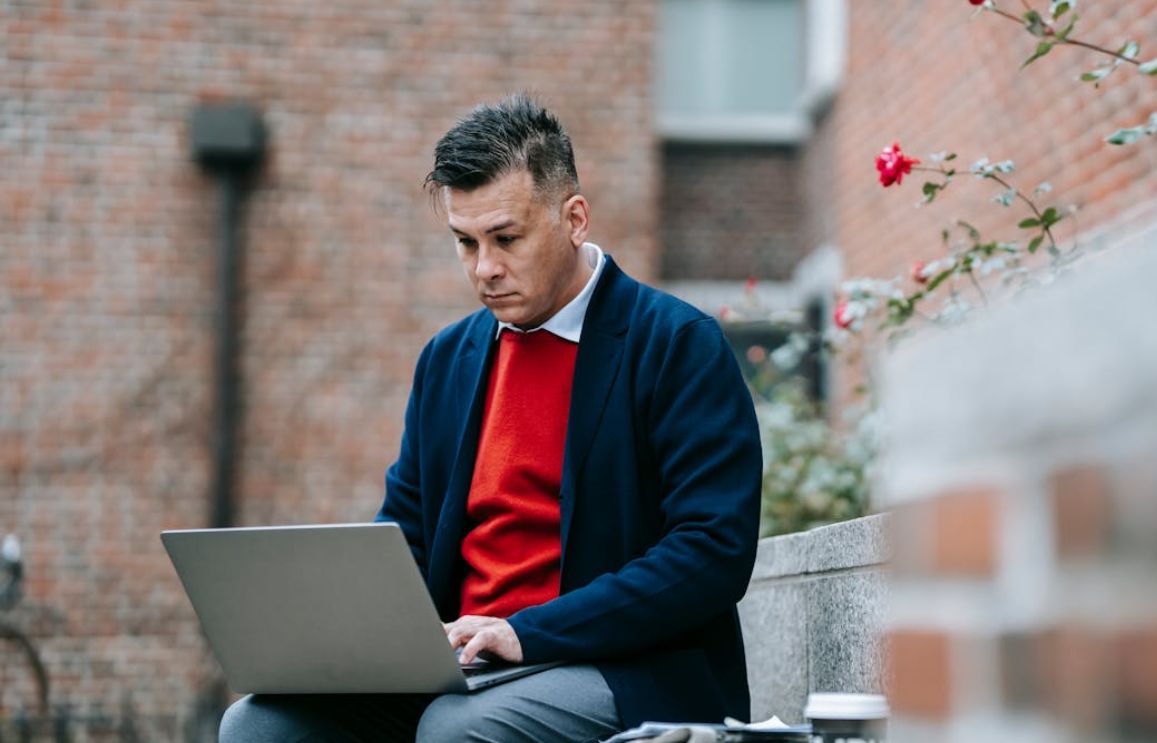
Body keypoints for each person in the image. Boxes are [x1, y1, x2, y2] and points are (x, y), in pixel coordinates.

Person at [219, 93, 762, 742]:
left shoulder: (674, 343)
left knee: (457, 727)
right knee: (260, 723)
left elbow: (711, 552)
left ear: (574, 218)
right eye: (465, 242)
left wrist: (524, 631)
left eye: (506, 238)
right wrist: (349, 637)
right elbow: (407, 533)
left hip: (622, 667)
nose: (485, 268)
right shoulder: (447, 359)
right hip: (468, 663)